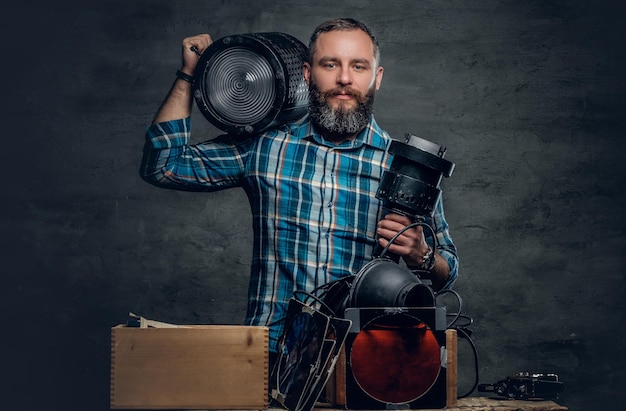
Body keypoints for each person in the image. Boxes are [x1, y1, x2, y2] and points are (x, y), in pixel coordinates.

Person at [140, 18, 458, 360]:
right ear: (307, 74)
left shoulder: (406, 170)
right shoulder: (264, 147)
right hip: (269, 354)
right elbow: (163, 165)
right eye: (330, 64)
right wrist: (189, 75)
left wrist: (422, 254)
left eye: (359, 66)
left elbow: (447, 272)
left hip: (360, 359)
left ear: (376, 78)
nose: (344, 79)